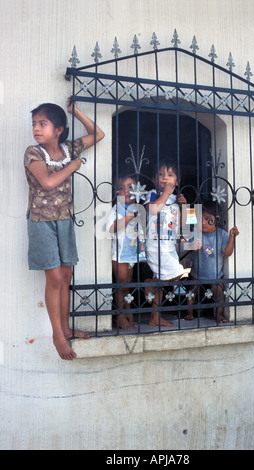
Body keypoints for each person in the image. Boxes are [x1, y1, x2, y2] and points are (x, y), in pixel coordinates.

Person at [24, 98, 105, 360]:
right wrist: (72, 166)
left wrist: (75, 111)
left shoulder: (69, 148)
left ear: (58, 129)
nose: (36, 129)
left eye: (43, 124)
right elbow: (47, 182)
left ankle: (67, 328)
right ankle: (57, 336)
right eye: (34, 124)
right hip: (41, 221)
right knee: (55, 277)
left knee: (67, 275)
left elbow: (98, 134)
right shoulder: (33, 153)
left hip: (65, 220)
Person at [144, 159, 187, 327]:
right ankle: (150, 284)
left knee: (162, 281)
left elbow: (184, 225)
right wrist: (166, 194)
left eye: (170, 175)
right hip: (155, 246)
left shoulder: (177, 199)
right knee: (177, 273)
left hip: (169, 245)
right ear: (155, 178)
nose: (165, 178)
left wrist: (183, 206)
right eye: (161, 174)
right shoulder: (153, 194)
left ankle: (155, 317)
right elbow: (154, 209)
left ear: (177, 181)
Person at [186, 202, 239, 323]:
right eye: (200, 219)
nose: (203, 222)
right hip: (196, 272)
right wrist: (193, 245)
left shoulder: (222, 234)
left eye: (208, 219)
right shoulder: (196, 232)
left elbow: (227, 252)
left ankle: (219, 314)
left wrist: (231, 238)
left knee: (219, 294)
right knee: (191, 292)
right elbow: (187, 245)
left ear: (217, 219)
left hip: (215, 274)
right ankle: (189, 312)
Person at [106, 174, 146, 330]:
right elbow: (111, 228)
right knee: (121, 286)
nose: (126, 191)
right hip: (120, 254)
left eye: (130, 187)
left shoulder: (138, 207)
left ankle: (127, 312)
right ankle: (120, 317)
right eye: (121, 188)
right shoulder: (118, 208)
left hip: (131, 253)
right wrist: (127, 219)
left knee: (127, 286)